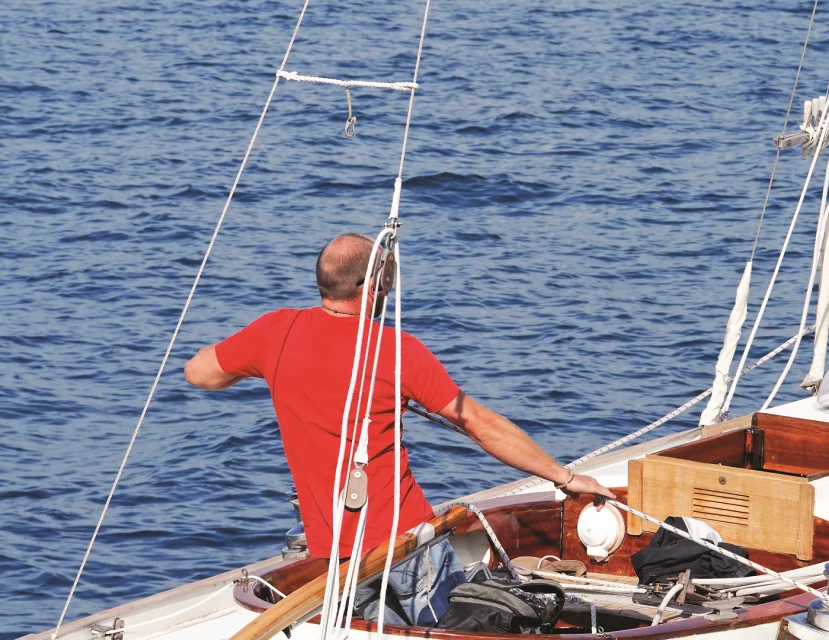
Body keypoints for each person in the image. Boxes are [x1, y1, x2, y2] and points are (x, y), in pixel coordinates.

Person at [184, 232, 616, 627]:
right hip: (407, 544)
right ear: (373, 286)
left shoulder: (274, 332)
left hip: (335, 554)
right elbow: (480, 424)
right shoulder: (396, 352)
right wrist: (565, 477)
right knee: (452, 630)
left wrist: (272, 366)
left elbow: (198, 373)